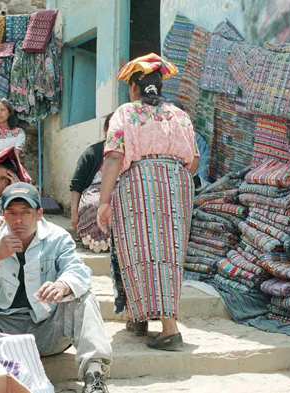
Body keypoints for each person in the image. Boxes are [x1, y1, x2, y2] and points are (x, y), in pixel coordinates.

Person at [0, 183, 112, 393]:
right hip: (3, 335)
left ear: (39, 214)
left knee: (82, 295)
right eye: (12, 212)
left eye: (26, 212)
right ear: (3, 214)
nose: (18, 220)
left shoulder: (57, 238)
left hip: (48, 330)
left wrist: (63, 285)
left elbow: (79, 271)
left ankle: (95, 375)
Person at [97, 53, 199, 350]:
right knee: (169, 252)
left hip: (138, 182)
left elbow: (115, 156)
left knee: (139, 251)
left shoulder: (125, 113)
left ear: (133, 88)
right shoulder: (179, 115)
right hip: (177, 183)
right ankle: (137, 316)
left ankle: (168, 328)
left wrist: (104, 201)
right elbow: (193, 160)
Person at [70, 113, 115, 253]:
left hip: (121, 189)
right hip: (95, 190)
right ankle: (96, 242)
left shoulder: (131, 153)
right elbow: (77, 184)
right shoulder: (93, 152)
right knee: (94, 204)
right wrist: (74, 214)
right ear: (106, 129)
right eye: (113, 128)